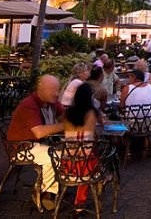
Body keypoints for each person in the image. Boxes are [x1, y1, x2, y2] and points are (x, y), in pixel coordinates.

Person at [6, 75, 66, 204]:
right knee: (56, 156)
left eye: (58, 89)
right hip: (22, 148)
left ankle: (50, 189)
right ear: (41, 90)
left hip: (40, 144)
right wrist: (66, 126)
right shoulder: (29, 104)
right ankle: (43, 192)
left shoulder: (53, 102)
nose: (56, 93)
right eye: (52, 90)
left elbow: (64, 118)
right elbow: (39, 132)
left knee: (68, 152)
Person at [61, 82, 98, 208]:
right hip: (84, 166)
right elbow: (92, 138)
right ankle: (79, 202)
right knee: (94, 156)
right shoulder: (92, 114)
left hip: (66, 164)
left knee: (83, 154)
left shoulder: (67, 113)